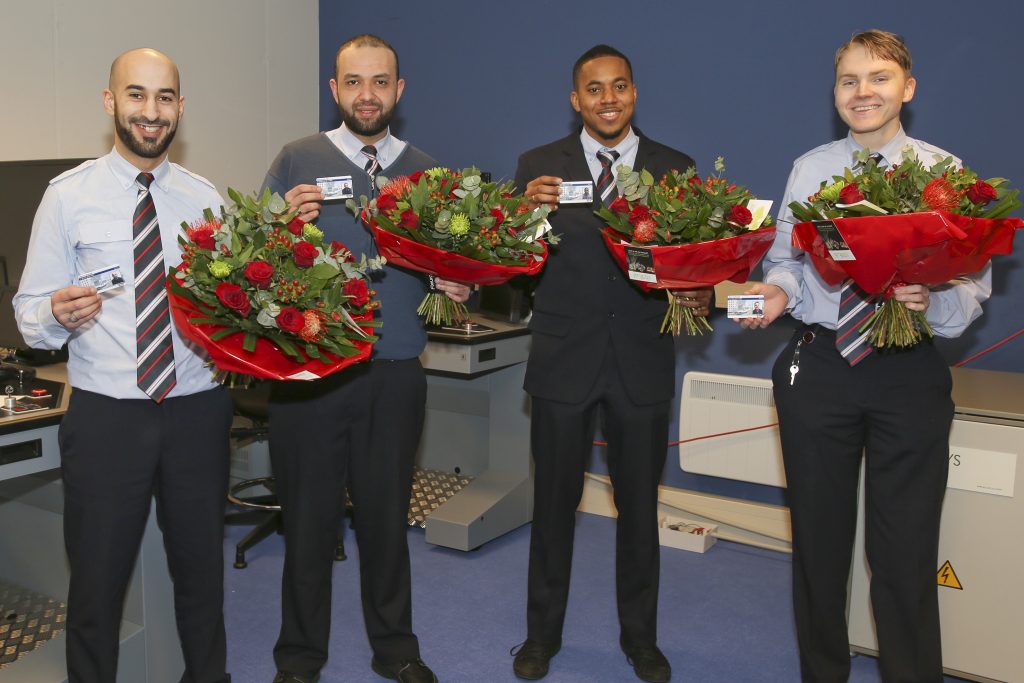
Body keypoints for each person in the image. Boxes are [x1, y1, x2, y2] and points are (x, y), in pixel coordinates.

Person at [738, 30, 991, 682]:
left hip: (908, 373)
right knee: (818, 546)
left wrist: (926, 299)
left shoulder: (945, 174)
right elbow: (789, 266)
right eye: (849, 80)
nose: (862, 92)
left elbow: (972, 294)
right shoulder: (811, 169)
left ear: (907, 87)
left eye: (878, 78)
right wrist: (773, 291)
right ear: (836, 93)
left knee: (905, 554)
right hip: (820, 369)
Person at [13, 48, 233, 683]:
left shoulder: (205, 199)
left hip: (196, 408)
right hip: (109, 416)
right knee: (97, 586)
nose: (151, 111)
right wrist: (57, 312)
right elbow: (28, 313)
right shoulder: (67, 196)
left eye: (164, 97)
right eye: (136, 95)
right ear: (110, 102)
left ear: (181, 109)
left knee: (201, 577)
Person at [261, 34, 469, 683]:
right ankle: (299, 655)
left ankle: (396, 647)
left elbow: (450, 267)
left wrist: (457, 283)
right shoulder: (295, 160)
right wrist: (280, 227)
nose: (367, 94)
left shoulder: (430, 172)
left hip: (395, 370)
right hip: (309, 376)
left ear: (398, 92)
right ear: (335, 89)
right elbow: (252, 271)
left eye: (380, 82)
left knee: (386, 516)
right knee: (308, 520)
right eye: (354, 81)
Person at [512, 44, 712, 683]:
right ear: (576, 100)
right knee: (552, 509)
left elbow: (694, 267)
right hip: (562, 361)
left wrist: (701, 287)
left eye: (618, 86)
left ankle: (641, 641)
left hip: (641, 359)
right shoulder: (538, 167)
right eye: (593, 89)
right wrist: (525, 220)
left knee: (639, 509)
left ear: (633, 93)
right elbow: (517, 273)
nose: (607, 99)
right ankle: (540, 639)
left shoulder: (675, 170)